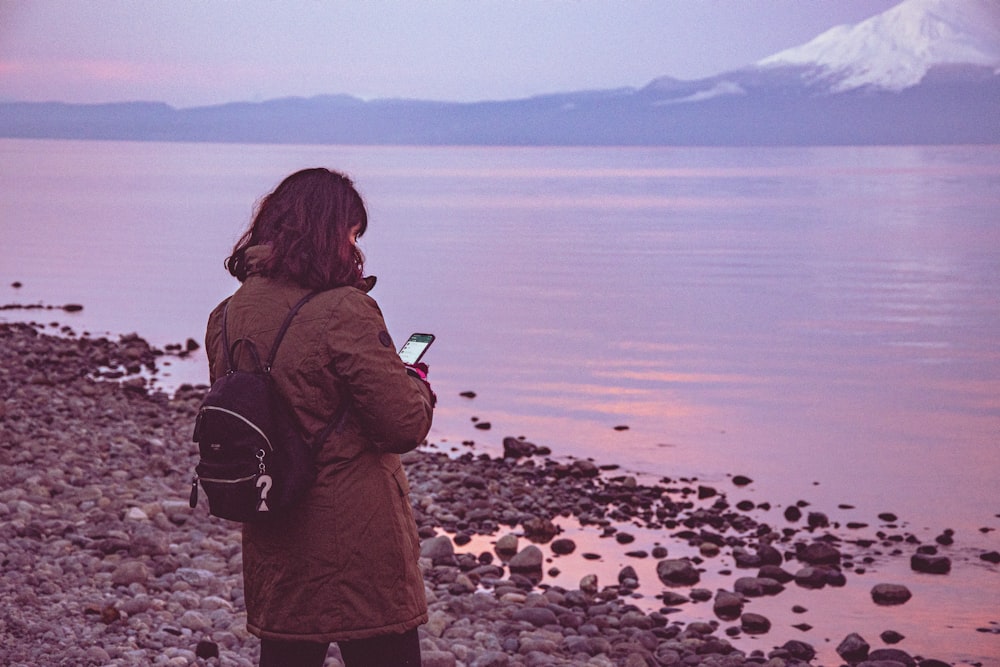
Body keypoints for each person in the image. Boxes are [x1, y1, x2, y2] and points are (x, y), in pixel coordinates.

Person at [203, 168, 435, 667]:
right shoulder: (344, 310)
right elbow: (401, 426)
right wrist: (415, 384)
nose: (356, 249)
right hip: (358, 540)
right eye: (352, 234)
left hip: (273, 522)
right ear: (330, 233)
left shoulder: (227, 313)